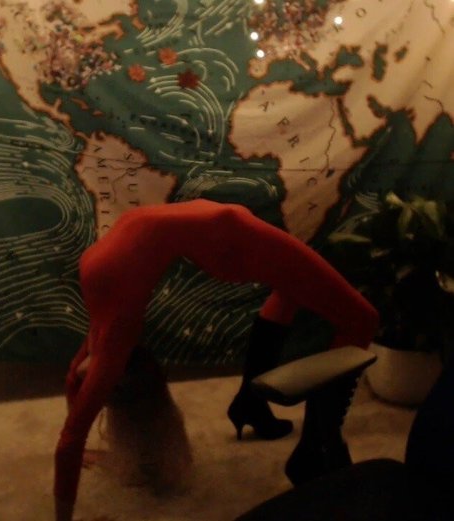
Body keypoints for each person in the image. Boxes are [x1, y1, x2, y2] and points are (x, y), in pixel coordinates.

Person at [54, 199, 378, 520]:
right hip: (228, 234)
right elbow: (73, 415)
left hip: (229, 235)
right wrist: (79, 431)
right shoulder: (105, 312)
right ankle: (313, 451)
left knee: (320, 301)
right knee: (360, 317)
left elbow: (71, 431)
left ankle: (261, 411)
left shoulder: (110, 334)